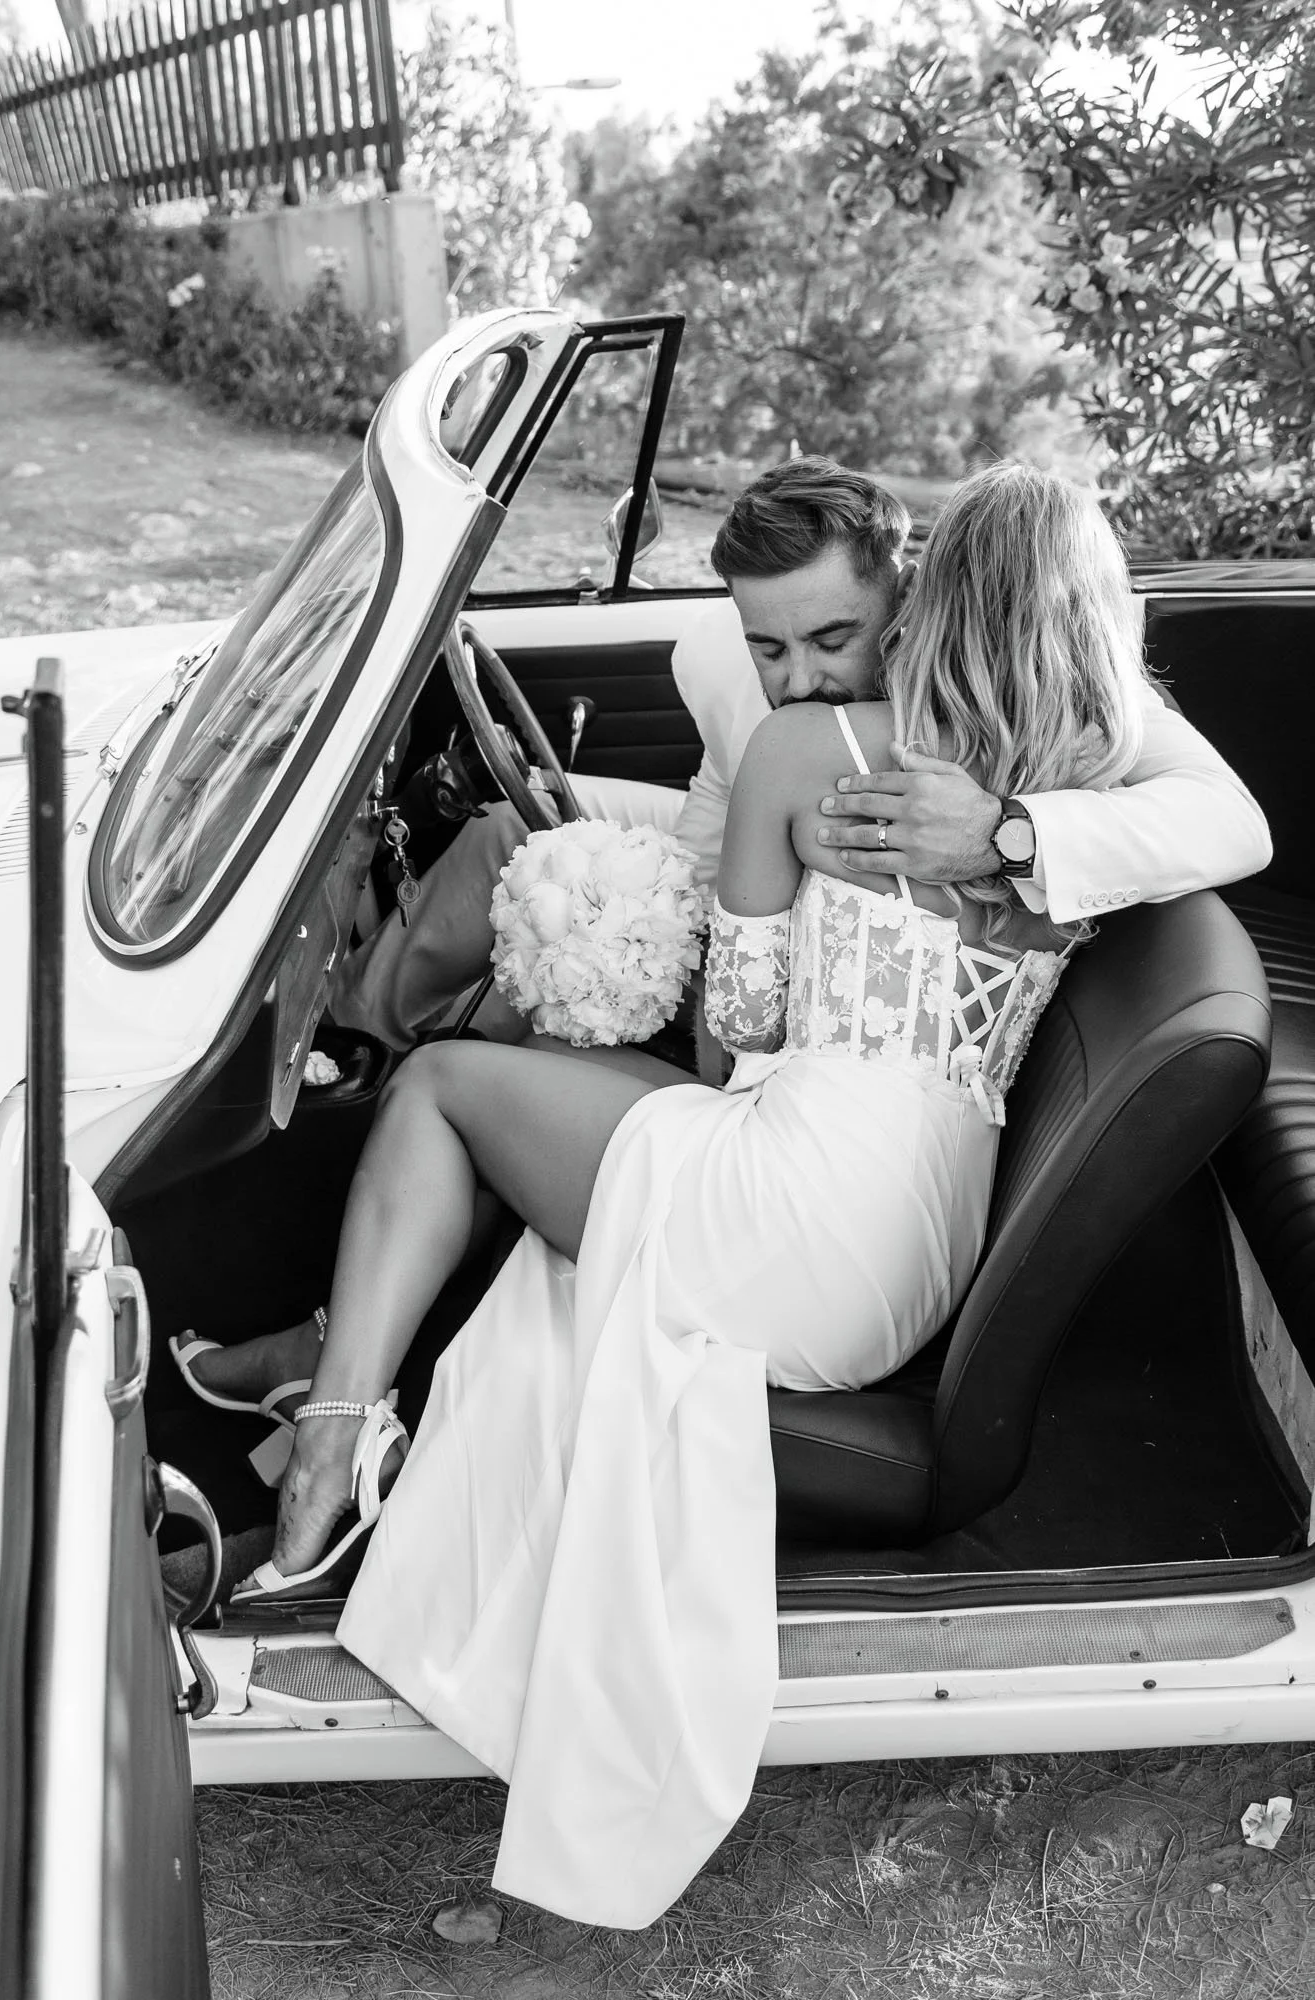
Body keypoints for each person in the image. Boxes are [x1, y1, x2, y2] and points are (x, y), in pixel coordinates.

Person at [183, 465, 1161, 1928]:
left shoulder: (811, 749)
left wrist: (638, 962)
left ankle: (325, 1458)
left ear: (935, 595)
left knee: (442, 1092)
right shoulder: (1089, 802)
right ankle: (335, 1383)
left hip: (786, 1201)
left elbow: (737, 1035)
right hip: (916, 1251)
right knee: (558, 1135)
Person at [327, 455, 1271, 1048]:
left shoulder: (995, 681)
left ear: (901, 593)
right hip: (761, 904)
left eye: (829, 639)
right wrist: (640, 922)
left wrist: (1003, 835)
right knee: (519, 824)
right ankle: (358, 1036)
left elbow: (1230, 822)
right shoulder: (711, 664)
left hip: (883, 993)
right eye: (767, 647)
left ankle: (430, 1064)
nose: (798, 682)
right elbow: (713, 821)